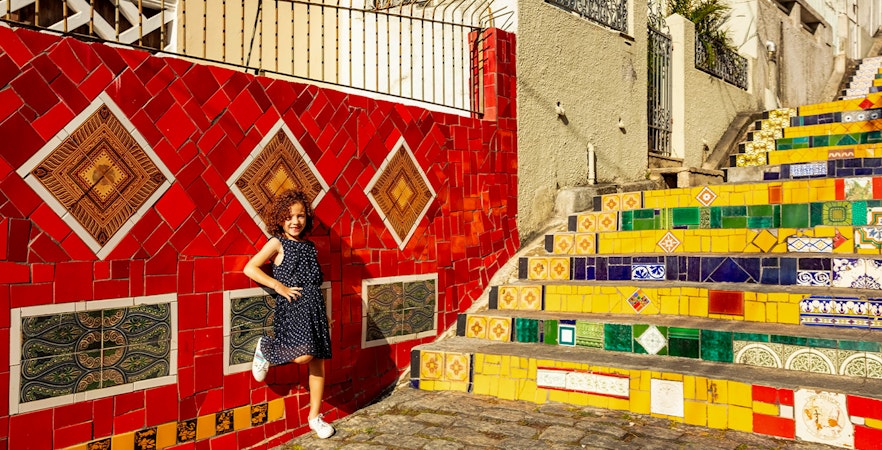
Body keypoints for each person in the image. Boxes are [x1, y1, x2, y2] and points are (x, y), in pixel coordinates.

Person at [243, 189, 335, 439]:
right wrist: (277, 286)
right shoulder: (277, 242)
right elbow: (250, 268)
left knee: (318, 363)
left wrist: (325, 315)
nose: (295, 221)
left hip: (314, 307)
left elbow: (315, 283)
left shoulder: (310, 246)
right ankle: (266, 348)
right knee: (303, 357)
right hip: (293, 307)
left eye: (301, 216)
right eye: (289, 216)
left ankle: (315, 417)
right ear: (280, 219)